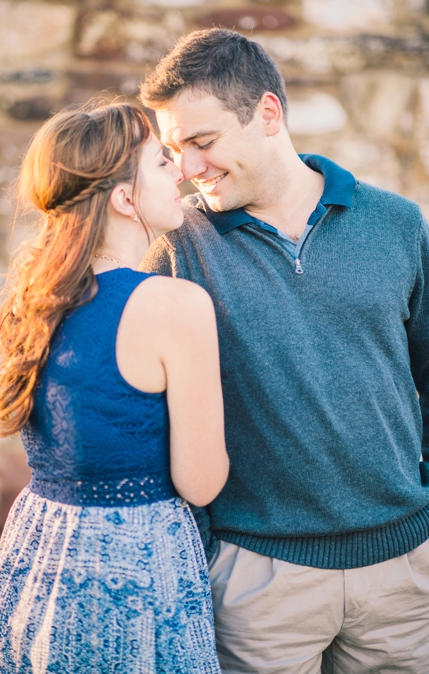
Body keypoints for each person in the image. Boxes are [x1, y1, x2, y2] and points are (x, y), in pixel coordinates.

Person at [138, 28, 429, 672]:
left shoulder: (399, 224)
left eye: (202, 142)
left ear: (268, 114)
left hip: (404, 575)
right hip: (257, 581)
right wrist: (213, 555)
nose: (187, 168)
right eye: (173, 150)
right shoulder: (180, 249)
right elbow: (156, 421)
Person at [0, 101, 229, 673]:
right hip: (136, 562)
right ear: (124, 199)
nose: (183, 172)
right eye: (163, 163)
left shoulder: (31, 299)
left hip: (37, 550)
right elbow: (201, 481)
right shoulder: (175, 305)